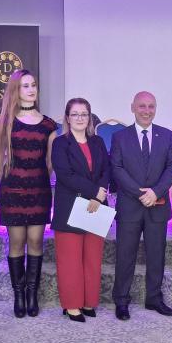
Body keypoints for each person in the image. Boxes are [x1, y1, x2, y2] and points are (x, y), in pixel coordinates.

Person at [111, 91, 172, 320]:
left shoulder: (167, 135)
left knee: (156, 255)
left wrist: (155, 192)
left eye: (151, 106)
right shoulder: (120, 137)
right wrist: (140, 193)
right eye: (142, 106)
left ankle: (154, 298)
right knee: (125, 255)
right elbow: (116, 168)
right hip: (130, 206)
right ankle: (121, 300)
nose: (146, 111)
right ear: (133, 107)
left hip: (157, 205)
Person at [0, 69, 57, 318]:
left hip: (39, 191)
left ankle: (32, 295)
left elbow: (50, 163)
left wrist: (35, 179)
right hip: (13, 192)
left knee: (36, 241)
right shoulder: (6, 122)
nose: (31, 90)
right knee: (17, 242)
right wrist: (15, 181)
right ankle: (19, 295)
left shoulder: (49, 125)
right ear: (16, 90)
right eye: (25, 86)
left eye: (33, 85)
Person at [51, 98, 111, 322]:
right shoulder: (60, 143)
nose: (79, 118)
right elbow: (65, 175)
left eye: (84, 114)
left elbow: (106, 169)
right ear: (67, 118)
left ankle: (88, 302)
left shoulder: (98, 141)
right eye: (75, 114)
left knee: (92, 259)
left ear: (89, 118)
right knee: (70, 261)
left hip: (97, 206)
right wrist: (94, 191)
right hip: (70, 207)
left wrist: (99, 193)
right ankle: (72, 305)